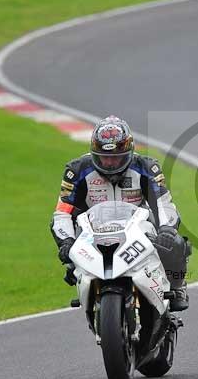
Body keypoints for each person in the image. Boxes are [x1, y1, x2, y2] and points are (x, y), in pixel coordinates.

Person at [51, 115, 190, 311]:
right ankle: (87, 287)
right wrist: (66, 241)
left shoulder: (148, 167)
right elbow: (62, 212)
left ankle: (177, 287)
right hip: (93, 232)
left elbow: (163, 204)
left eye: (116, 158)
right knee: (68, 254)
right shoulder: (77, 170)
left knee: (175, 243)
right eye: (104, 158)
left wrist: (166, 229)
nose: (109, 164)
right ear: (94, 153)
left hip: (138, 228)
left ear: (129, 153)